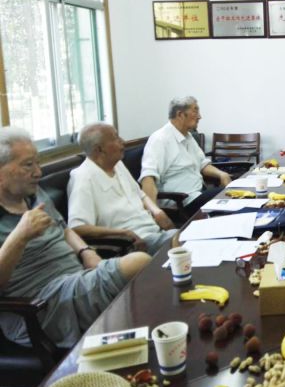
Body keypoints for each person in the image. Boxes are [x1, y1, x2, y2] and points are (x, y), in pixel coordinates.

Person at [0, 127, 151, 348]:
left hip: (75, 279)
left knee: (148, 275)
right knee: (137, 263)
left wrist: (85, 251)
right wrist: (19, 237)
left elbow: (63, 228)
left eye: (37, 163)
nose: (38, 172)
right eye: (28, 165)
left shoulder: (33, 194)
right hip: (40, 305)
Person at [67, 123, 176, 255]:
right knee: (181, 239)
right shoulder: (83, 178)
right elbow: (77, 227)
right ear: (99, 149)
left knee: (186, 236)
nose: (123, 141)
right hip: (132, 244)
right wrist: (124, 233)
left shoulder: (118, 165)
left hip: (154, 231)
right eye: (116, 138)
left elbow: (140, 194)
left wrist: (157, 211)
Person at [140, 97, 231, 217]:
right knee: (230, 195)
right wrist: (154, 214)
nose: (199, 116)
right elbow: (148, 178)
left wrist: (221, 174)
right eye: (195, 111)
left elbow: (203, 164)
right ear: (180, 114)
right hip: (182, 202)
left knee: (236, 193)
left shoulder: (188, 136)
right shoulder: (159, 139)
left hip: (198, 194)